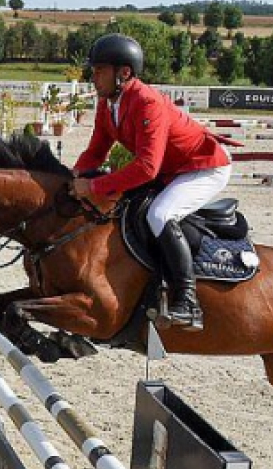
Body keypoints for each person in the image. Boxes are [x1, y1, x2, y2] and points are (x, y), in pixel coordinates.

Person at [69, 34, 236, 331]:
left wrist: (94, 186)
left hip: (203, 166)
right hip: (170, 169)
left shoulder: (147, 102)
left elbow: (146, 167)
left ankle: (187, 302)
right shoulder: (108, 104)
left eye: (98, 71)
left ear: (124, 73)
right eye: (92, 71)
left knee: (160, 214)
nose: (92, 77)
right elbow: (96, 150)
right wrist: (76, 175)